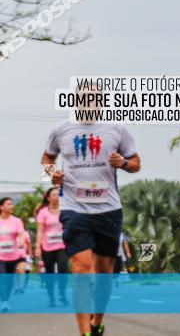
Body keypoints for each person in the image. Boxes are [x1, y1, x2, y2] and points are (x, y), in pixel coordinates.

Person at [42, 110, 141, 336]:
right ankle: (85, 333)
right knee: (81, 270)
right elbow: (47, 158)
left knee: (104, 275)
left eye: (95, 98)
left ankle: (97, 323)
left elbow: (136, 163)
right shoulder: (61, 129)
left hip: (108, 209)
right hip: (74, 208)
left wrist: (123, 162)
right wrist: (51, 175)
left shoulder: (116, 129)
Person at [36, 187, 69, 307]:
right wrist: (37, 247)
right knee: (49, 273)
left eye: (59, 194)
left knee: (63, 269)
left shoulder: (65, 210)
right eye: (54, 195)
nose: (57, 196)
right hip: (47, 246)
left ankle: (62, 293)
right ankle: (51, 297)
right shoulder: (43, 212)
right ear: (49, 198)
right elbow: (40, 230)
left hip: (62, 245)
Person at [0, 197, 26, 312]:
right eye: (9, 204)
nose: (12, 206)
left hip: (12, 255)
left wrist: (21, 241)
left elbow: (21, 233)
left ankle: (5, 299)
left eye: (12, 204)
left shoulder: (17, 221)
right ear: (1, 207)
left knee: (10, 280)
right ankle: (4, 301)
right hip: (0, 256)